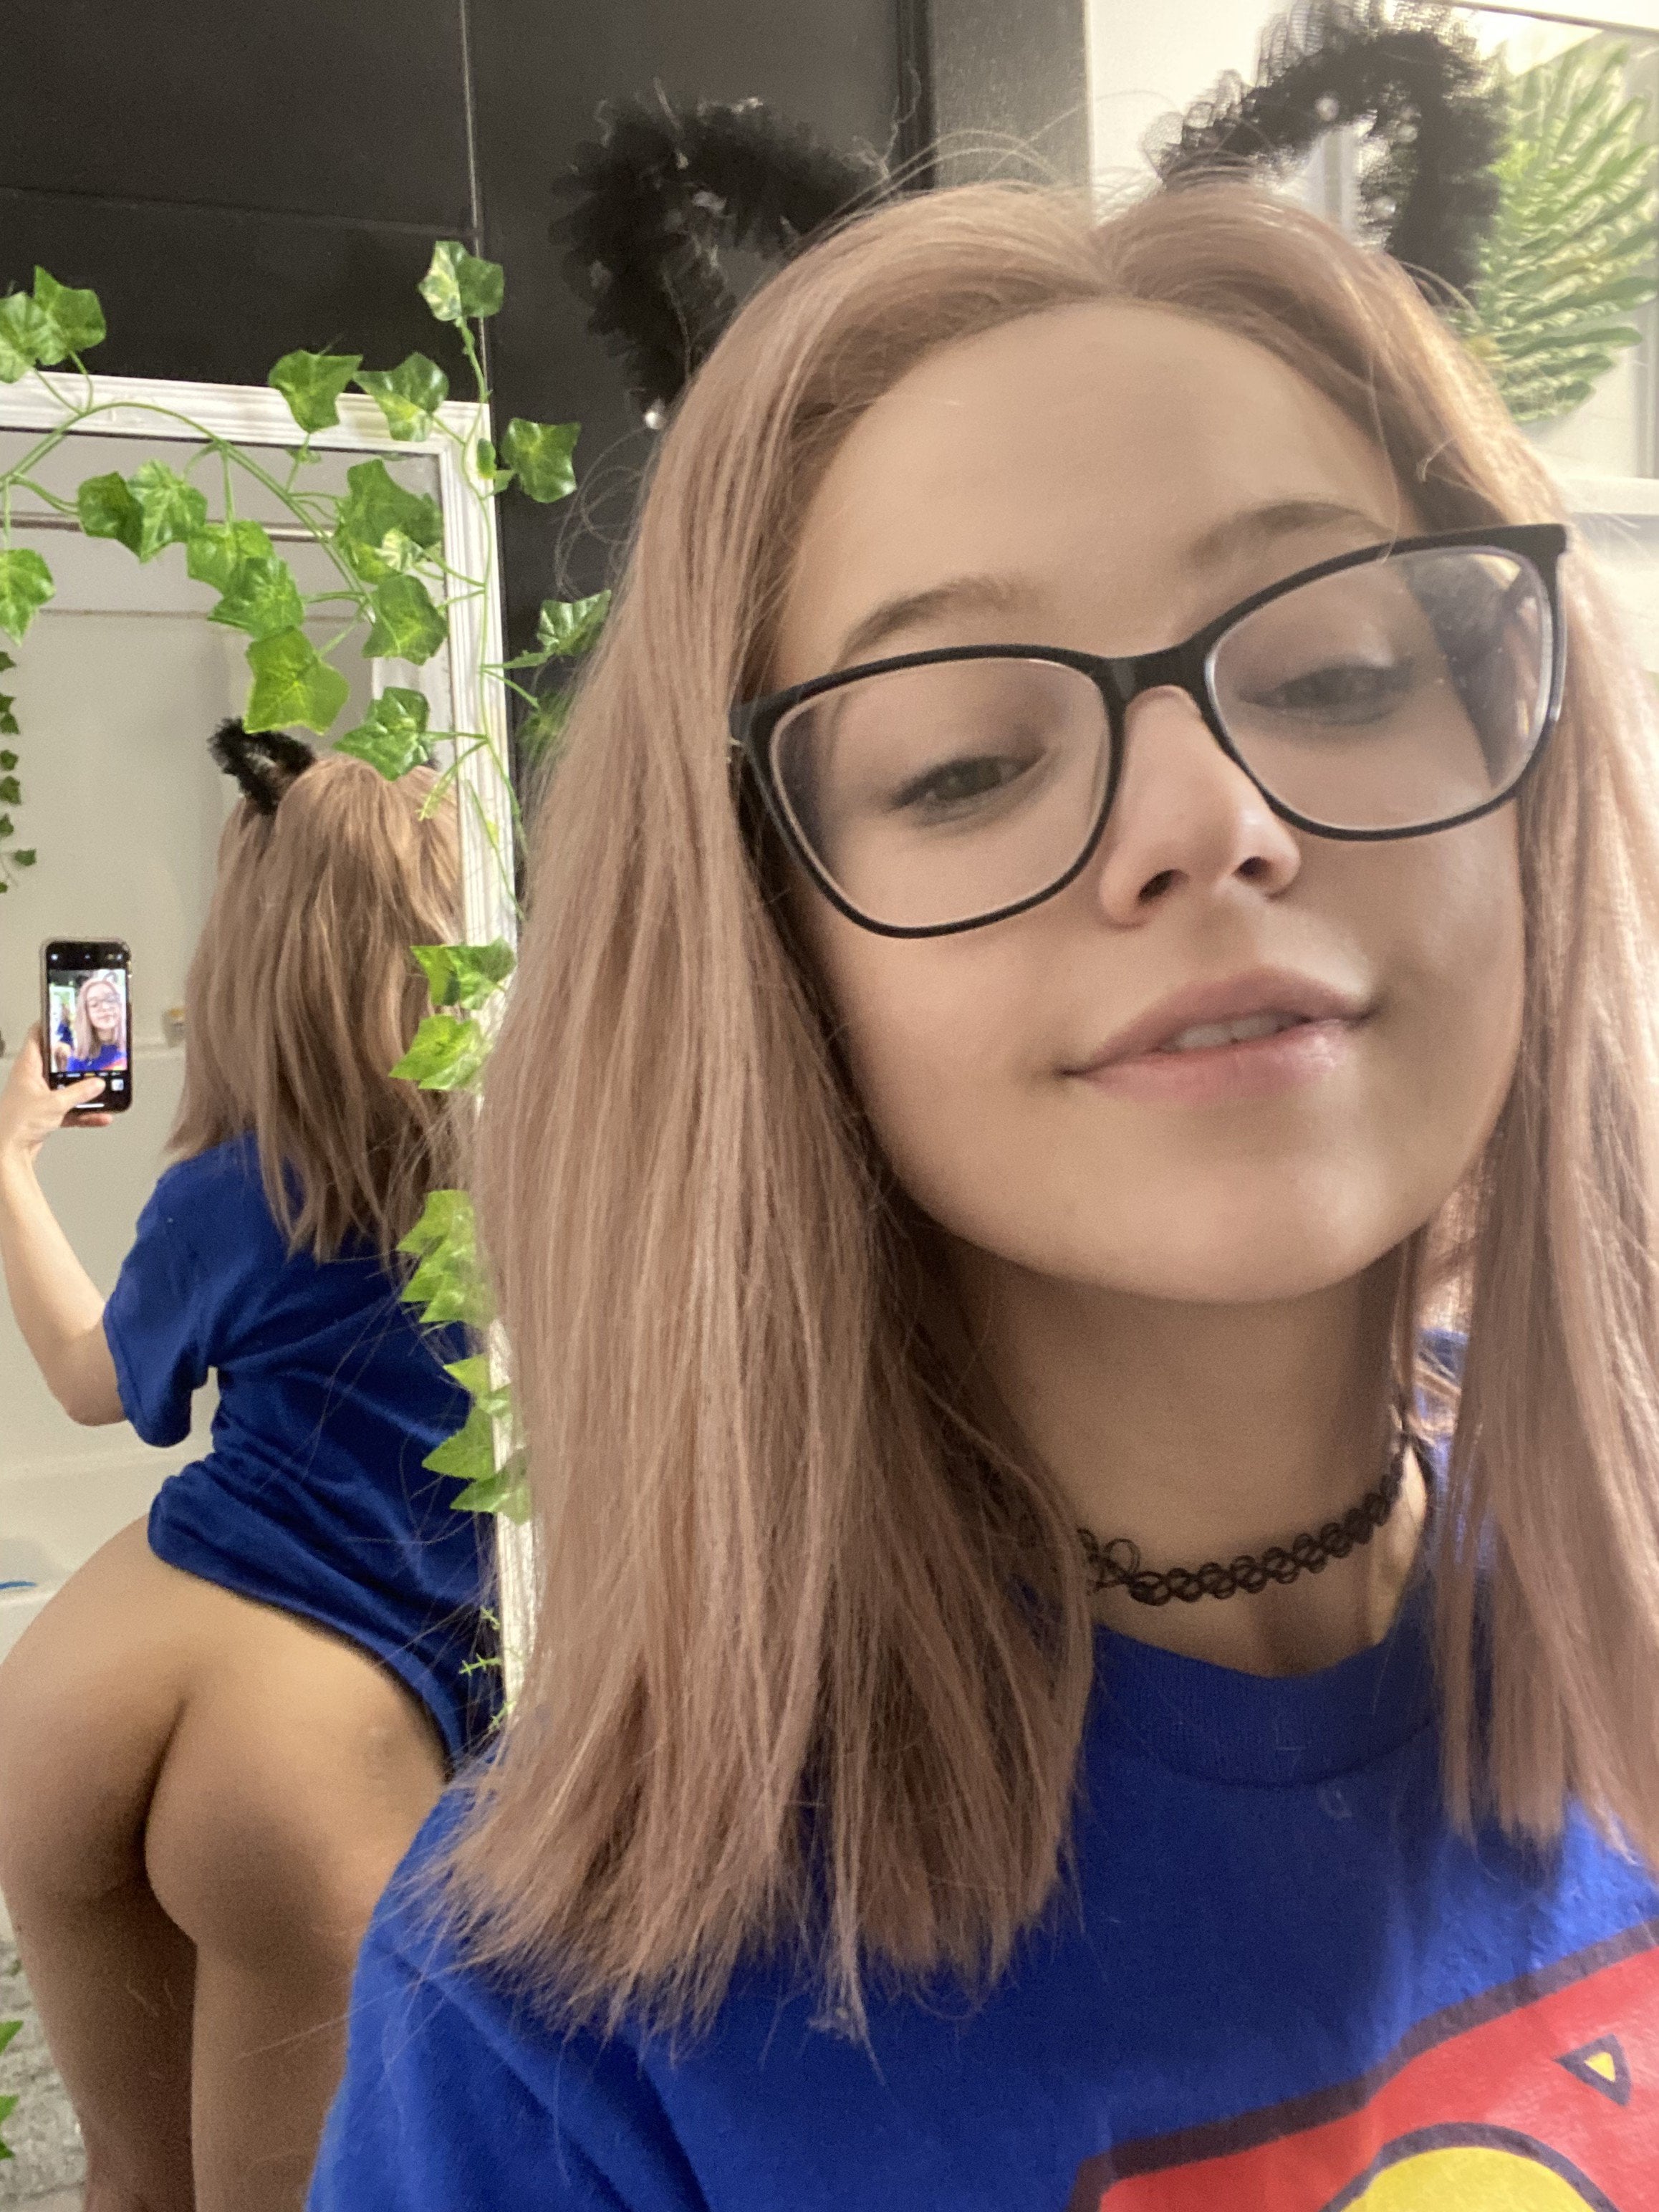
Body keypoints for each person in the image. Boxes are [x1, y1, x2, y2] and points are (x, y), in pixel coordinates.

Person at [310, 178, 1659, 2209]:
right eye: (958, 763)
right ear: (769, 963)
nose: (1211, 816)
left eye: (1332, 669)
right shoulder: (566, 2022)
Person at [0, 731, 500, 2212]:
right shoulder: (515, 1172)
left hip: (83, 1674)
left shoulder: (223, 1192)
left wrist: (10, 1161)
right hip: (314, 1730)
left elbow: (91, 1382)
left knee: (129, 2180)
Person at [52, 970, 127, 1076]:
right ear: (86, 1013)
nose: (105, 1007)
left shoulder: (133, 1047)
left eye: (110, 1000)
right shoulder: (78, 1062)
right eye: (94, 1004)